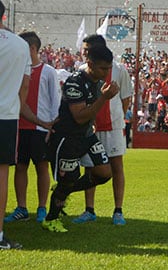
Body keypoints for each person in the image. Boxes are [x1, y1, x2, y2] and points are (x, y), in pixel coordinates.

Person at [42, 44, 119, 233]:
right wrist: (104, 98)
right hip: (67, 138)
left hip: (85, 135)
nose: (107, 72)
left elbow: (88, 113)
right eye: (103, 68)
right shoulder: (74, 82)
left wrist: (92, 120)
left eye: (109, 68)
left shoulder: (97, 81)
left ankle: (62, 191)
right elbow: (79, 116)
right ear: (90, 63)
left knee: (104, 173)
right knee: (69, 179)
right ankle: (50, 219)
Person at [73, 34, 133, 226]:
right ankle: (89, 209)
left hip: (113, 127)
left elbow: (125, 98)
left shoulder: (119, 70)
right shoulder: (82, 71)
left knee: (116, 167)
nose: (84, 53)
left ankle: (118, 210)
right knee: (90, 167)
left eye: (87, 50)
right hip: (90, 127)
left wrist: (116, 119)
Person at [5, 32, 60, 225]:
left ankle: (42, 207)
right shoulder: (19, 69)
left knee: (41, 167)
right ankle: (22, 208)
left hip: (41, 129)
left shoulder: (48, 72)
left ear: (32, 49)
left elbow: (55, 101)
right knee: (20, 166)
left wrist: (51, 127)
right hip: (19, 126)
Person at [0, 0, 39, 249]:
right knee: (2, 174)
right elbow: (25, 85)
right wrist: (15, 107)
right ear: (4, 16)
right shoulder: (19, 45)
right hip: (6, 115)